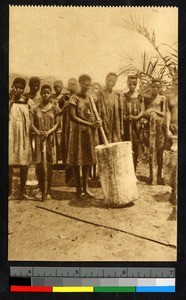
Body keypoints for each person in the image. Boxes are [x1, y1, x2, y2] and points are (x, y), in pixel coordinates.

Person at [67, 74, 102, 199]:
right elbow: (72, 116)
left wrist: (98, 121)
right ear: (80, 83)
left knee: (87, 159)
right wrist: (89, 124)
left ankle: (85, 187)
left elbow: (94, 113)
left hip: (89, 133)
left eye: (89, 85)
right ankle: (78, 188)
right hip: (77, 133)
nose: (88, 87)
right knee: (77, 160)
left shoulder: (91, 97)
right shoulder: (74, 98)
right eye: (86, 84)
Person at [30, 84, 60, 200]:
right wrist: (38, 133)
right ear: (40, 94)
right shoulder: (35, 108)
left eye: (48, 92)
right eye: (43, 92)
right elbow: (32, 124)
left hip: (50, 139)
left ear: (50, 93)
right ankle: (41, 189)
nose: (45, 95)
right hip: (39, 139)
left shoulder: (54, 108)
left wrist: (48, 132)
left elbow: (57, 124)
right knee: (39, 164)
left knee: (49, 164)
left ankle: (48, 190)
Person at [9, 77, 32, 199]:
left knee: (24, 163)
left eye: (21, 88)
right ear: (12, 87)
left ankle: (22, 192)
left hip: (23, 135)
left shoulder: (28, 101)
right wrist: (11, 100)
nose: (18, 89)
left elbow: (34, 115)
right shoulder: (8, 99)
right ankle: (9, 192)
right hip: (10, 135)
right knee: (9, 163)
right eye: (16, 87)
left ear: (23, 89)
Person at [143, 79, 166, 185]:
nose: (155, 89)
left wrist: (153, 110)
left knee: (160, 151)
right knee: (151, 151)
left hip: (160, 128)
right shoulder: (147, 99)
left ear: (160, 88)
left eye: (158, 87)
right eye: (153, 87)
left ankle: (159, 176)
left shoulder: (162, 98)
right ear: (150, 87)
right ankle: (151, 175)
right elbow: (145, 113)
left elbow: (163, 113)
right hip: (150, 128)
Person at [122, 75, 145, 171]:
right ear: (127, 83)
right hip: (127, 124)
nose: (132, 85)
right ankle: (126, 170)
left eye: (134, 83)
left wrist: (136, 117)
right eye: (130, 83)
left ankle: (134, 171)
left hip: (137, 125)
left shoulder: (140, 96)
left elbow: (142, 110)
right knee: (126, 146)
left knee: (135, 147)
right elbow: (122, 110)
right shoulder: (124, 96)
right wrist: (126, 118)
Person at [99, 73, 123, 143]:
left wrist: (121, 127)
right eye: (110, 80)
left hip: (115, 123)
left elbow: (120, 111)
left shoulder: (117, 94)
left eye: (114, 82)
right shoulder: (100, 93)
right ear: (106, 80)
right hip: (104, 122)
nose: (112, 83)